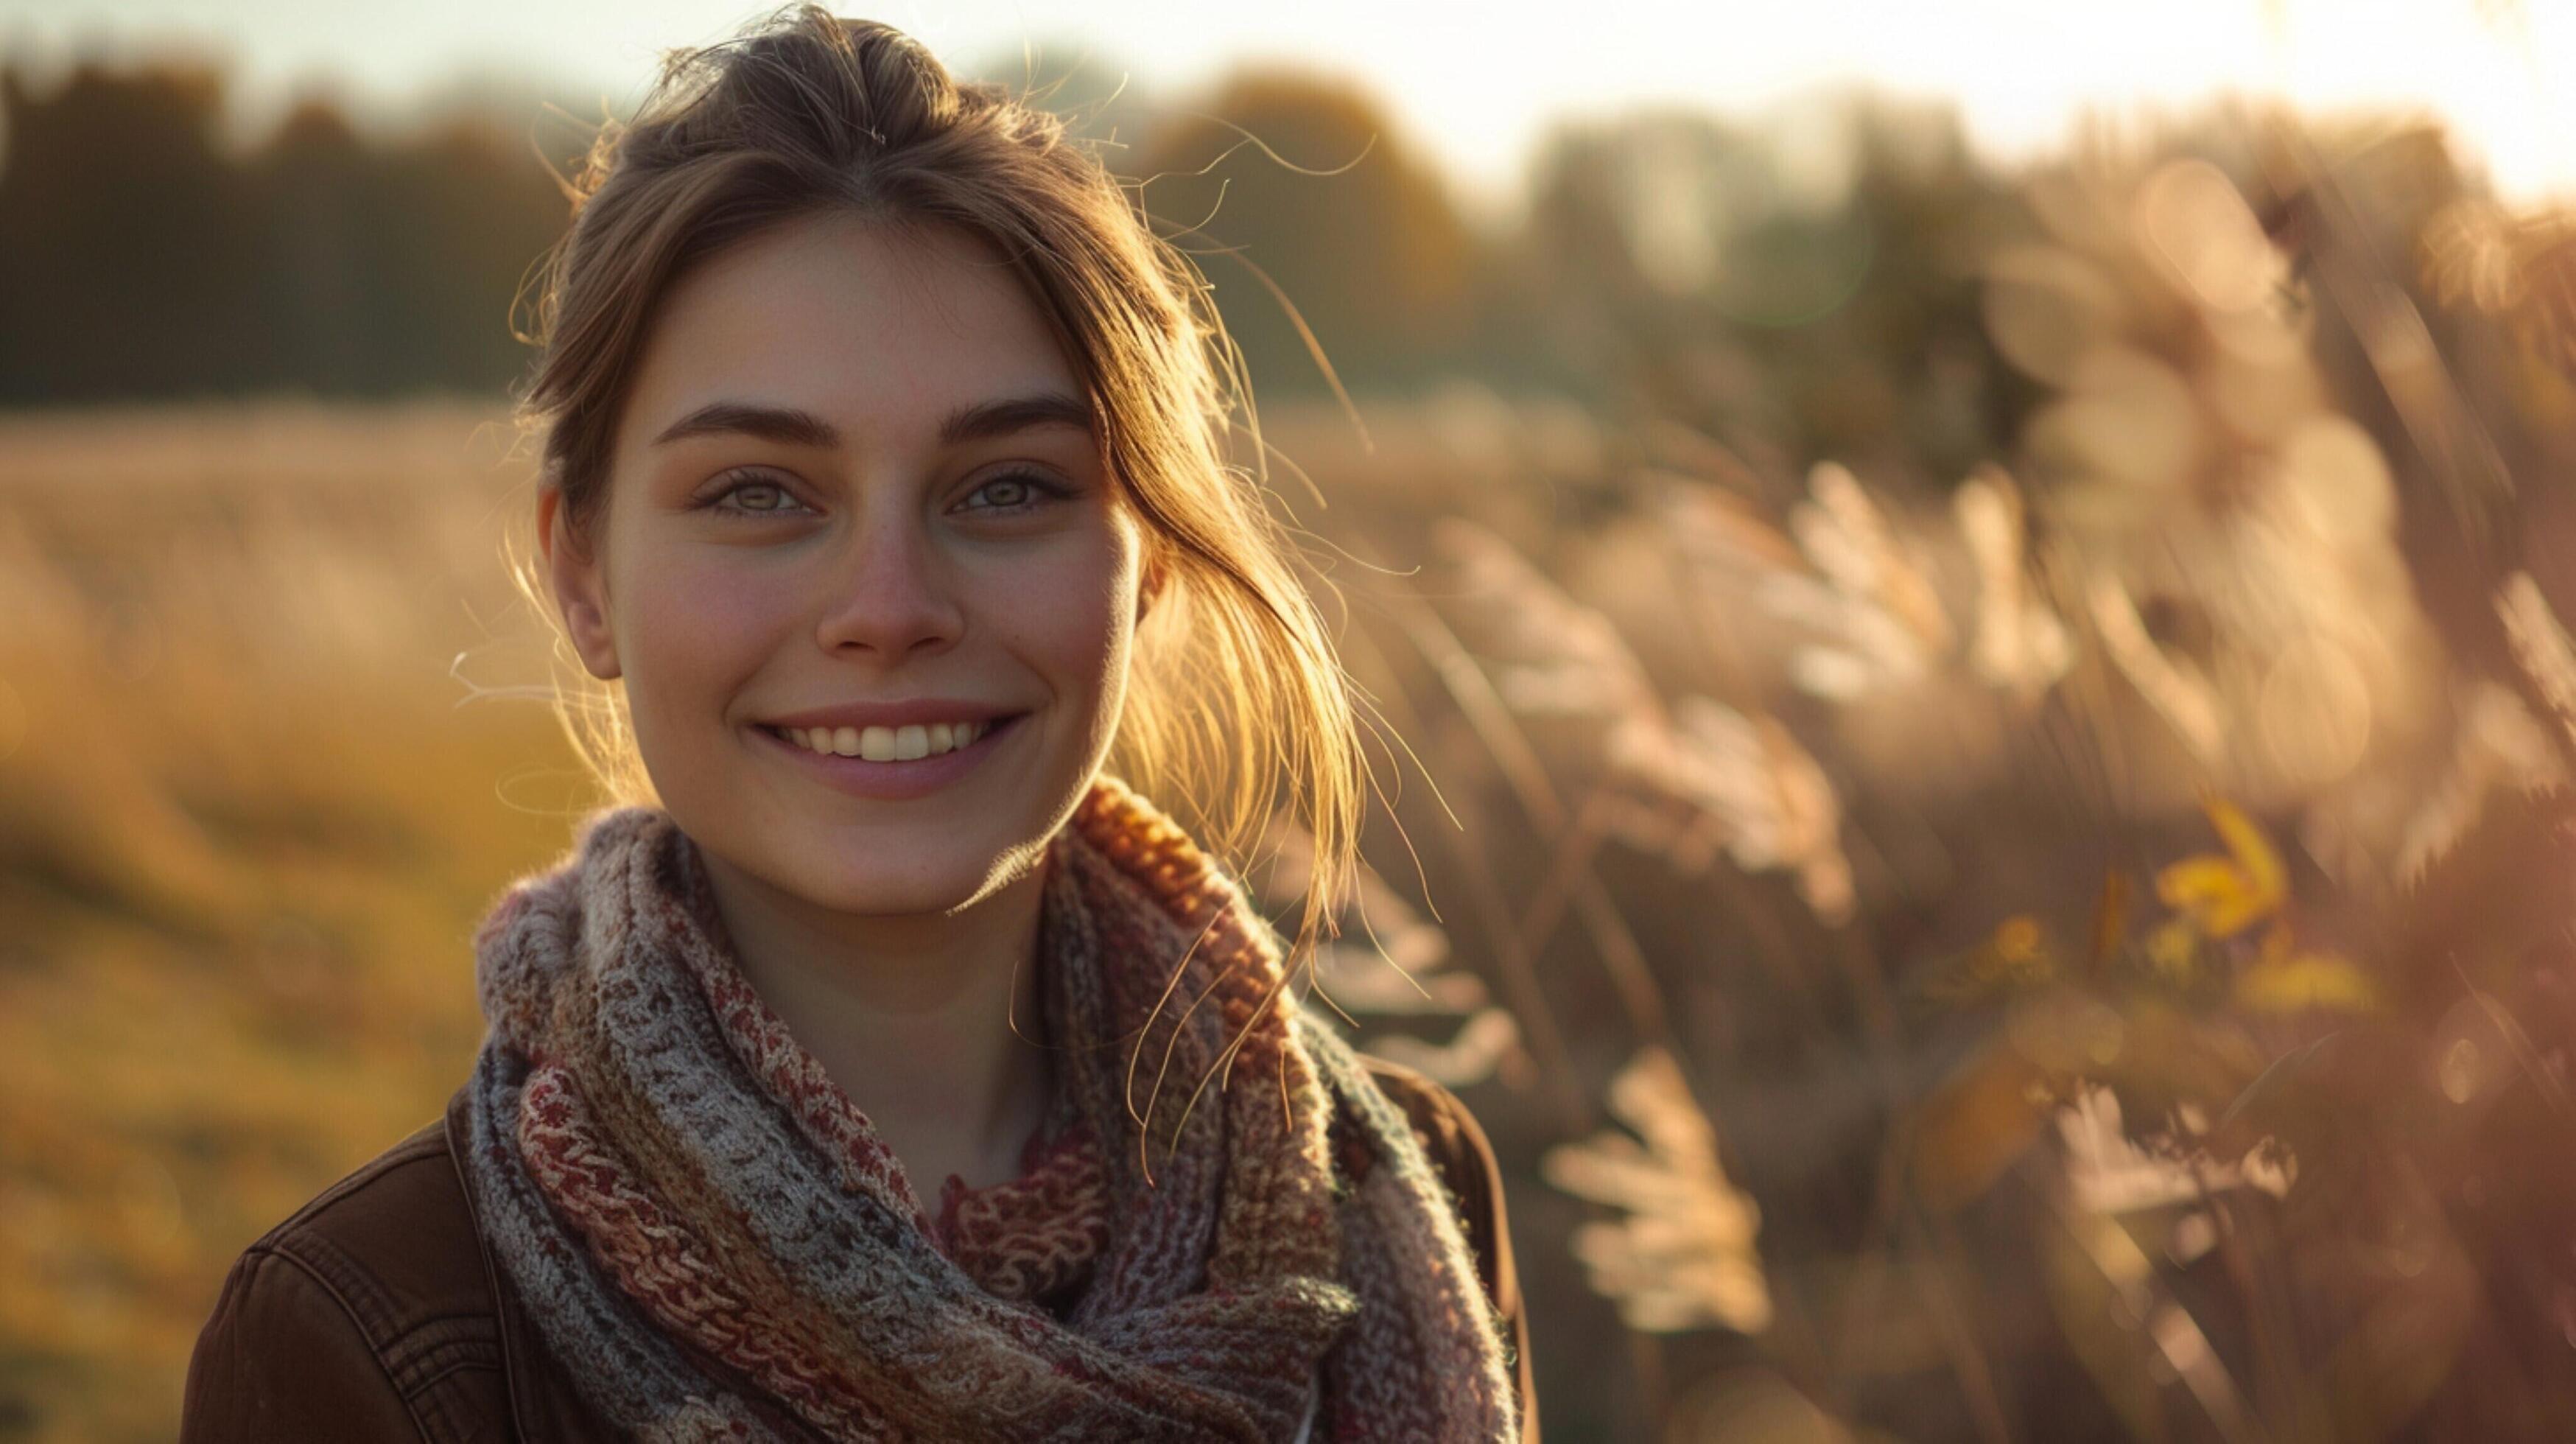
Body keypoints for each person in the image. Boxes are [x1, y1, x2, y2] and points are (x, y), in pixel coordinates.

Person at [178, 7, 1534, 1440]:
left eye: (1008, 486)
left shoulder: (1398, 1197)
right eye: (760, 491)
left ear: (1143, 563)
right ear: (584, 573)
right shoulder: (372, 1333)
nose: (887, 606)